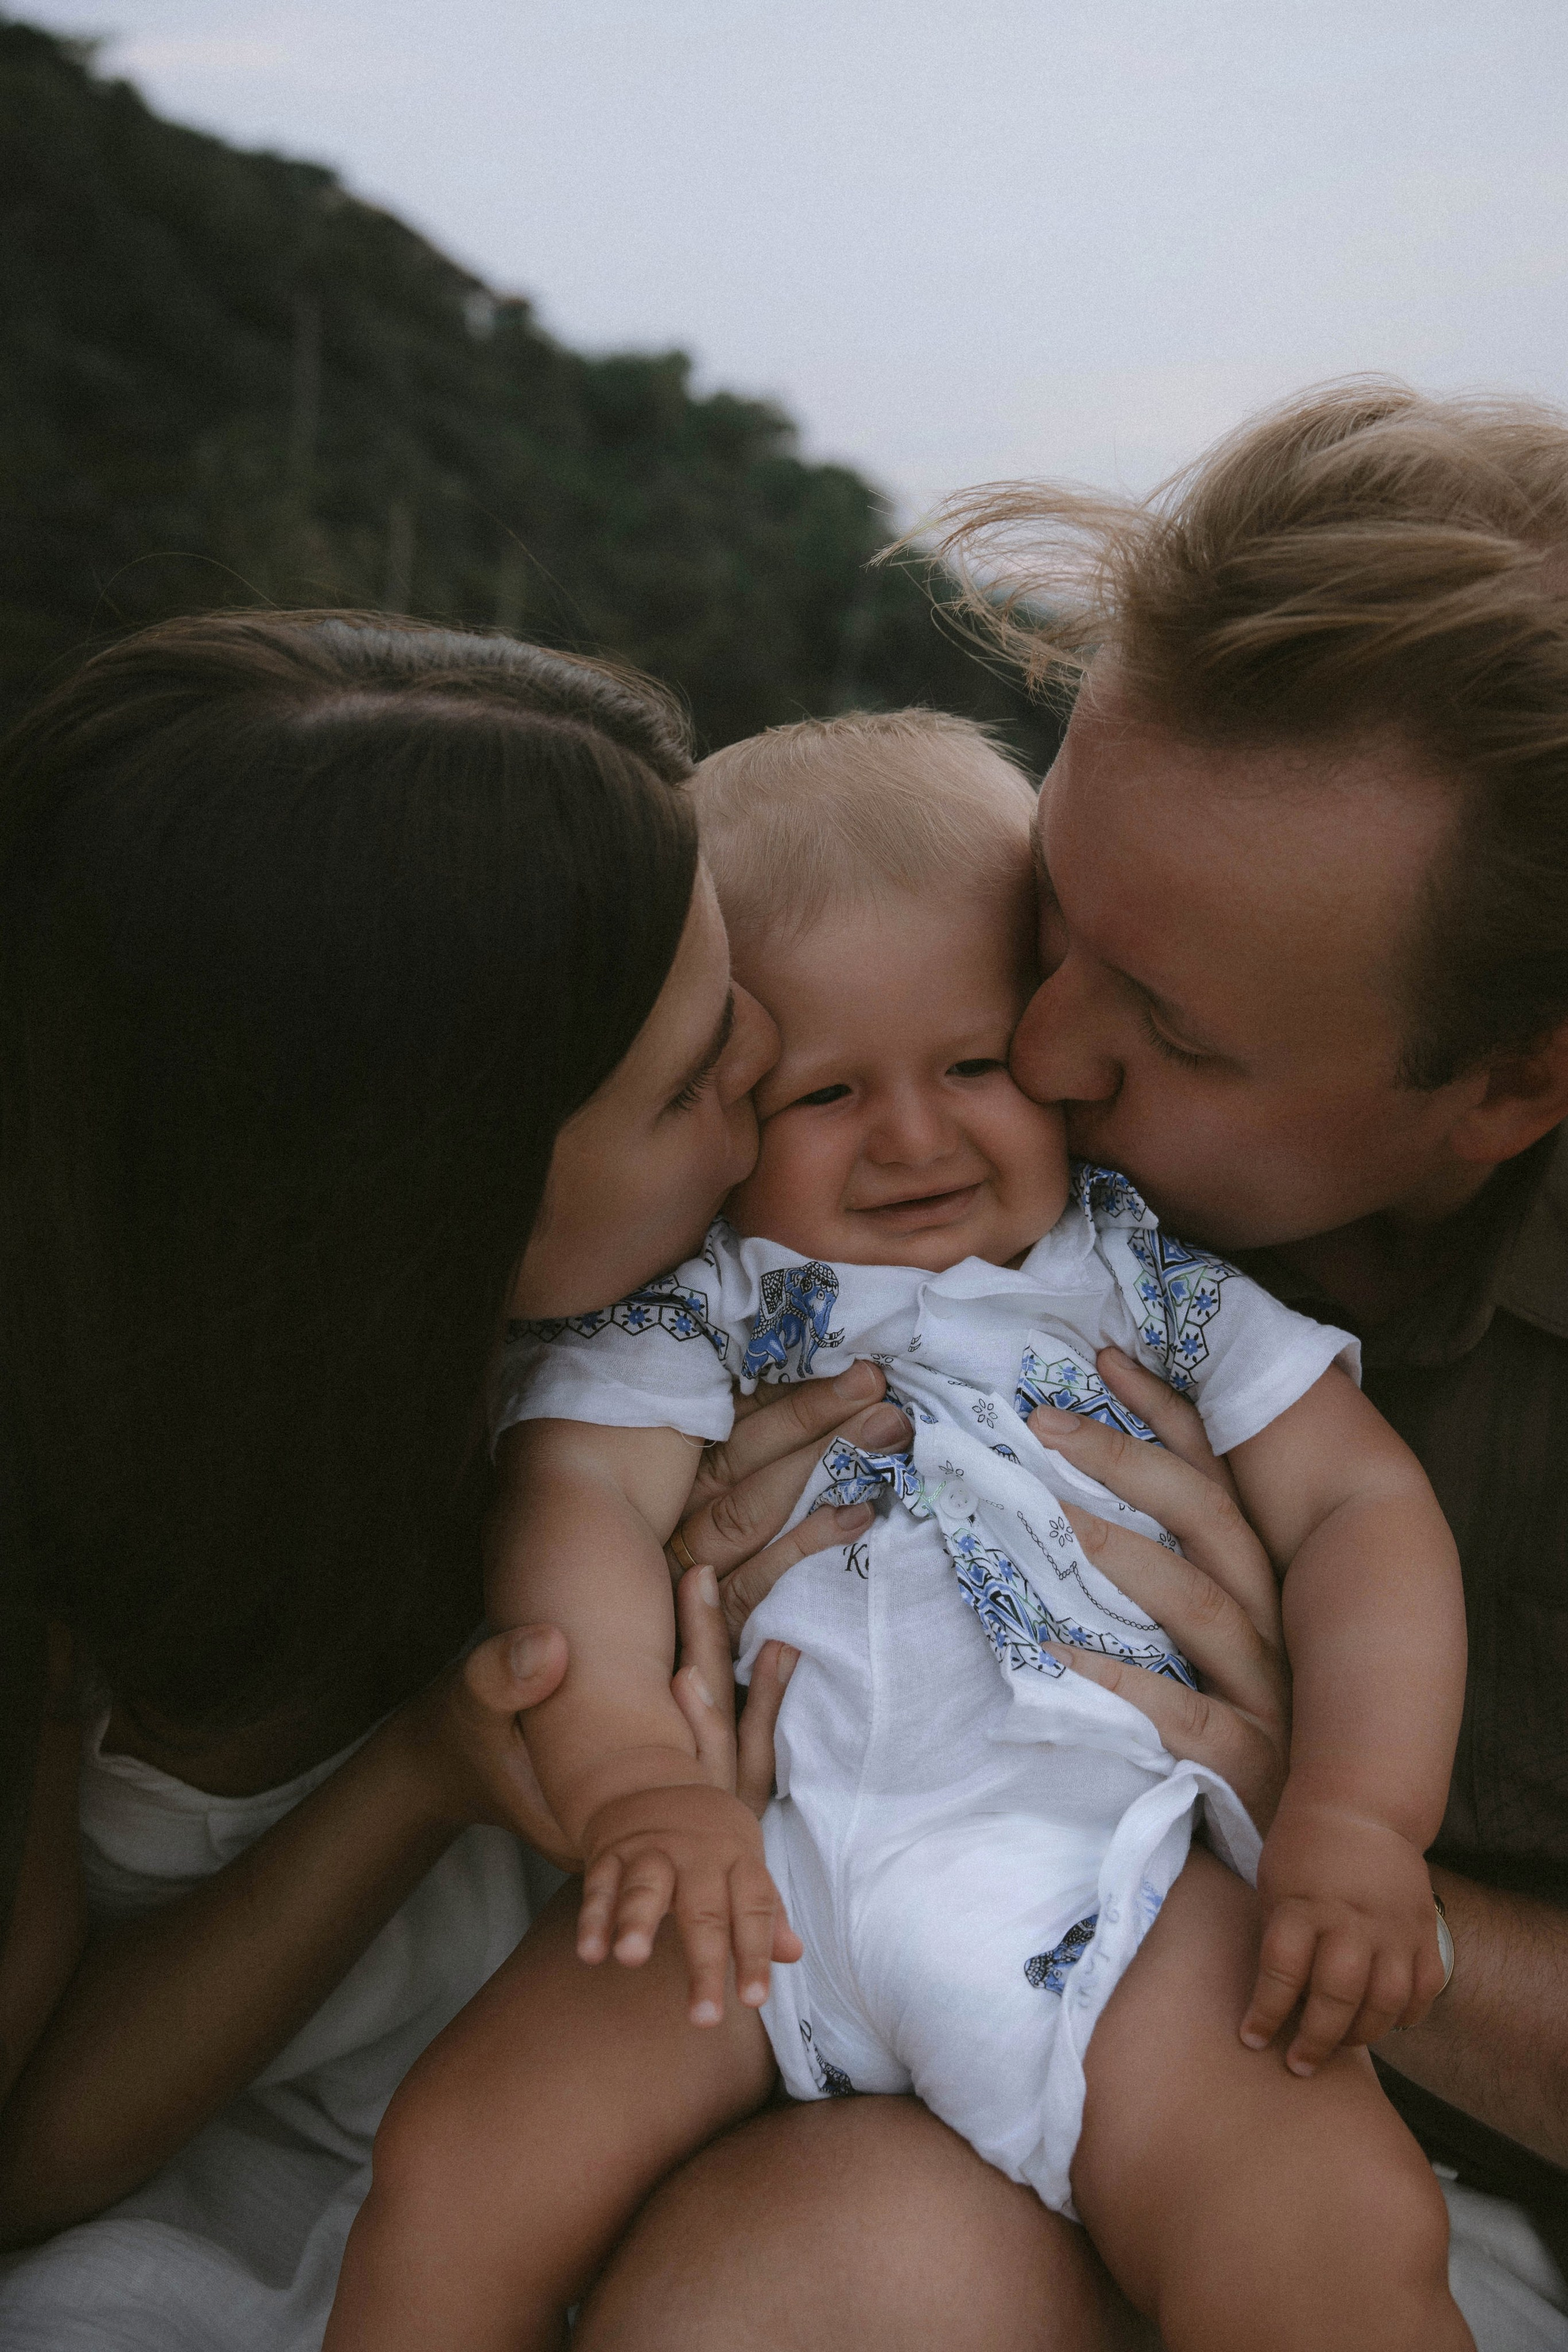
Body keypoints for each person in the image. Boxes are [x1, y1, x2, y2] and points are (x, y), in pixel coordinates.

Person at [556, 382, 1568, 2352]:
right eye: (1055, 927)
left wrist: (1317, 1840)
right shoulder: (854, 1155)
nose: (1041, 1056)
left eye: (1176, 1035)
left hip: (1369, 2118)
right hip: (889, 2034)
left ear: (1516, 1084)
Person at [328, 707, 1470, 2352]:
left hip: (1105, 1879)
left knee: (1333, 2230)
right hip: (750, 1864)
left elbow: (1364, 1508)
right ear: (722, 1096)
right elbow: (578, 1501)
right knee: (453, 2168)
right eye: (822, 1092)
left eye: (976, 1064)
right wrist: (638, 1780)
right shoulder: (717, 1304)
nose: (915, 1139)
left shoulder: (1145, 1274)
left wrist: (1359, 1813)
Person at [0, 609, 847, 2350]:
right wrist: (426, 1772)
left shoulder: (689, 1337)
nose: (777, 1051)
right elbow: (26, 2157)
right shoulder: (73, 1544)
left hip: (656, 2172)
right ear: (435, 1219)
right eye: (698, 1074)